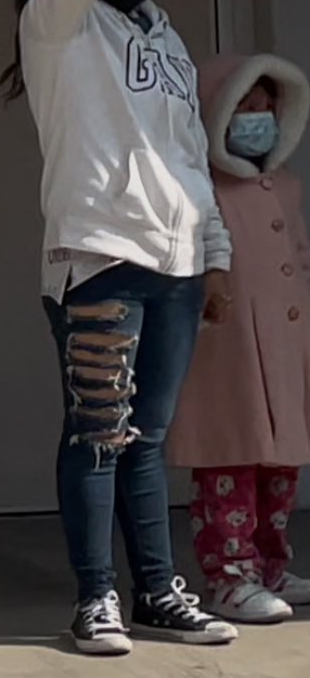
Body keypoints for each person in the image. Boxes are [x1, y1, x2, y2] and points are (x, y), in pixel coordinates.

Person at [0, 0, 236, 656]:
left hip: (172, 266)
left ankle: (157, 593)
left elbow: (185, 148)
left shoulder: (160, 33)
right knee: (95, 433)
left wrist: (212, 255)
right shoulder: (58, 22)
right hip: (98, 260)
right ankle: (94, 598)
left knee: (145, 439)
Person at [166, 53, 310, 622]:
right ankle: (230, 575)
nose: (259, 115)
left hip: (285, 348)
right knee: (231, 459)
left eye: (267, 104)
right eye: (244, 105)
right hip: (227, 353)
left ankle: (271, 564)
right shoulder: (201, 188)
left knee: (280, 465)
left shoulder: (286, 186)